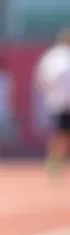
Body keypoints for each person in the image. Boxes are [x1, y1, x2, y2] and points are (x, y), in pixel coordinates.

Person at [34, 29, 70, 179]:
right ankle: (54, 164)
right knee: (60, 135)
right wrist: (52, 94)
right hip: (59, 102)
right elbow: (42, 77)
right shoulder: (53, 57)